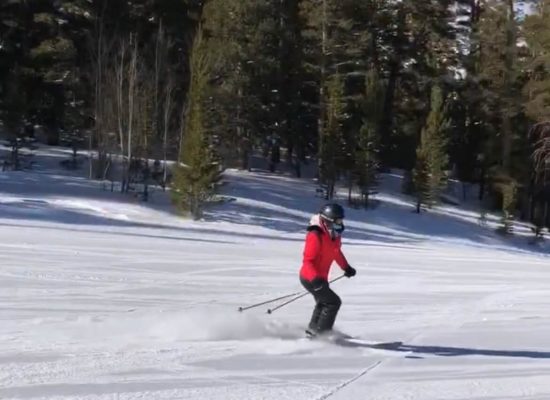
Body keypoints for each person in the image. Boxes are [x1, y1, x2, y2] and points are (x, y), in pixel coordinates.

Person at [299, 203, 356, 337]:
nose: (341, 223)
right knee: (332, 302)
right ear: (329, 220)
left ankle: (313, 331)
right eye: (338, 220)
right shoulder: (315, 234)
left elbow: (336, 252)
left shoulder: (333, 234)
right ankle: (322, 336)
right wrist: (316, 279)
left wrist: (346, 267)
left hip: (320, 278)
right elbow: (308, 261)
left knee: (323, 302)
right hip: (310, 277)